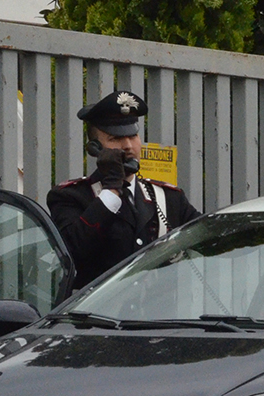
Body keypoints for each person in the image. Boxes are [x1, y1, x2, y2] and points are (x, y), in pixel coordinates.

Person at [47, 90, 201, 291]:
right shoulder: (71, 197)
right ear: (95, 148)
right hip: (96, 319)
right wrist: (111, 189)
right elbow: (74, 250)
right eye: (115, 138)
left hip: (155, 319)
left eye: (133, 136)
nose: (128, 146)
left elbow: (209, 239)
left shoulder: (169, 198)